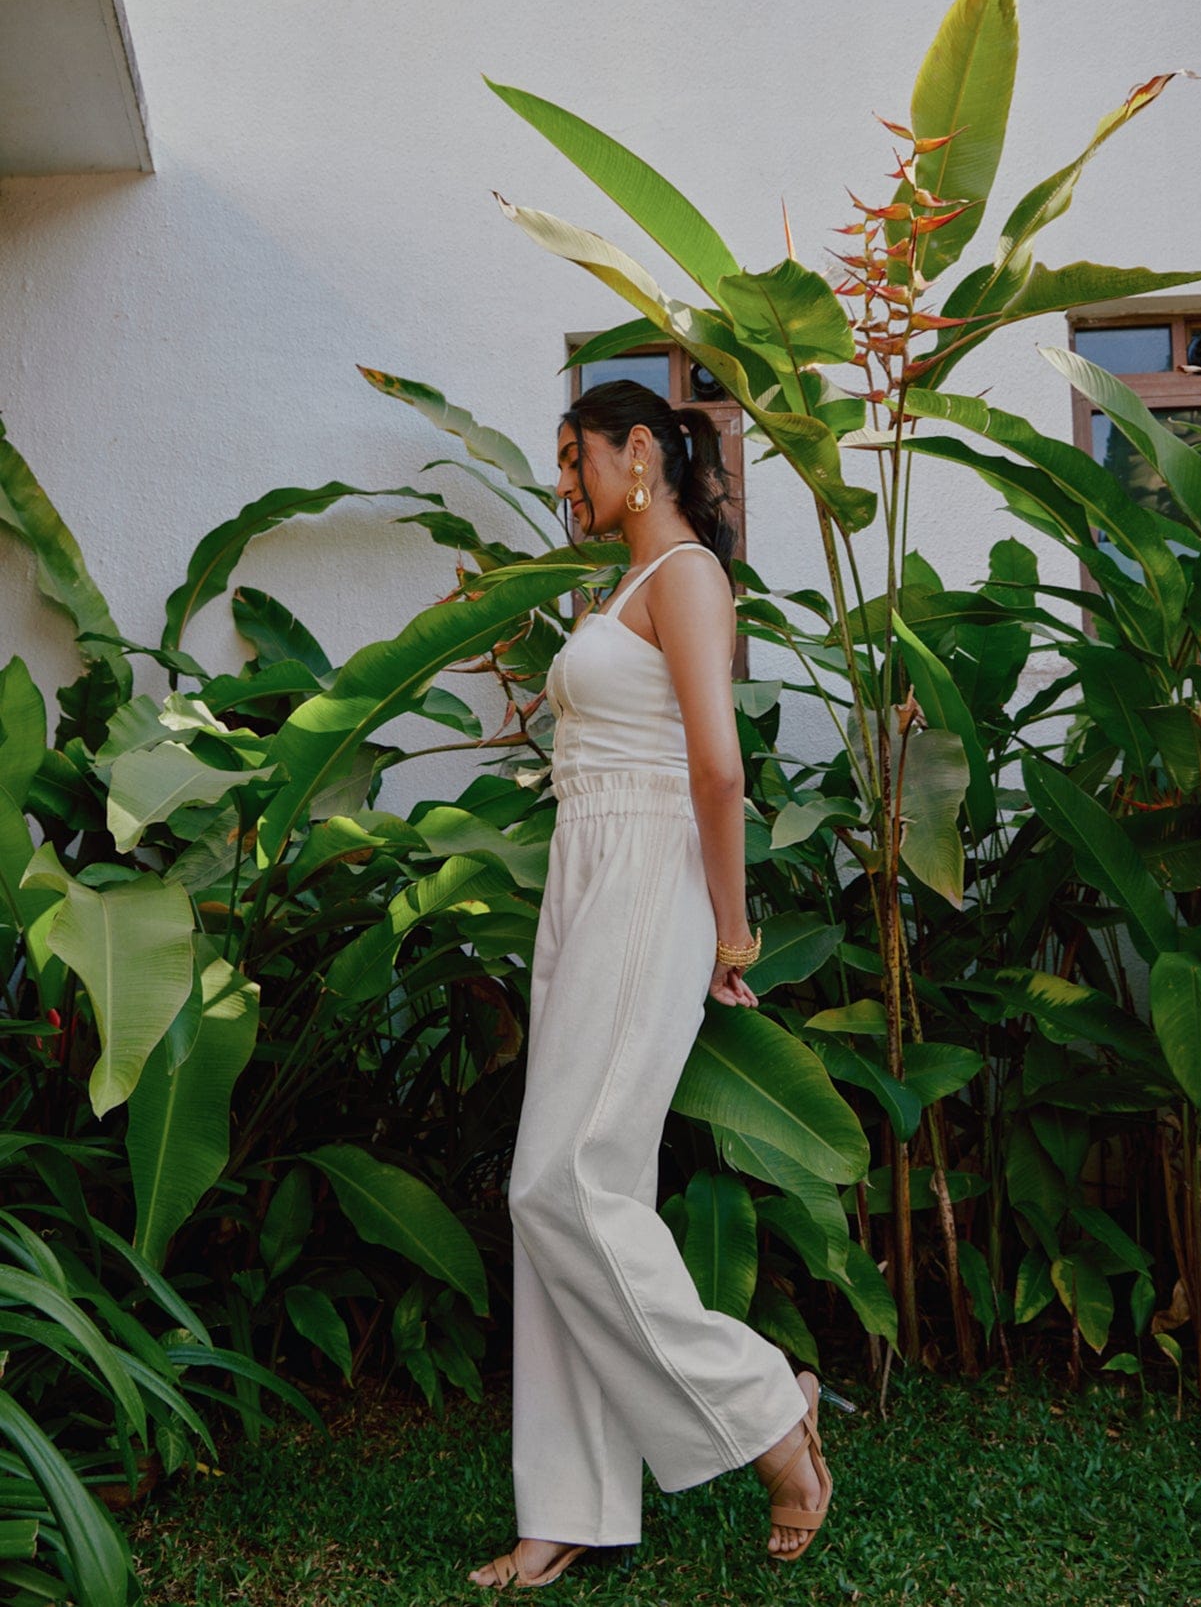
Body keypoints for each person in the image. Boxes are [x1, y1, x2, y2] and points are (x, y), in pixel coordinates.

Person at [469, 380, 833, 1590]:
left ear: (640, 450)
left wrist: (732, 933)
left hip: (647, 874)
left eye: (574, 460)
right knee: (578, 1184)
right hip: (588, 871)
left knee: (560, 1181)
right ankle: (566, 1503)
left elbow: (717, 772)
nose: (564, 485)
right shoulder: (624, 583)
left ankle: (765, 1406)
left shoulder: (683, 577)